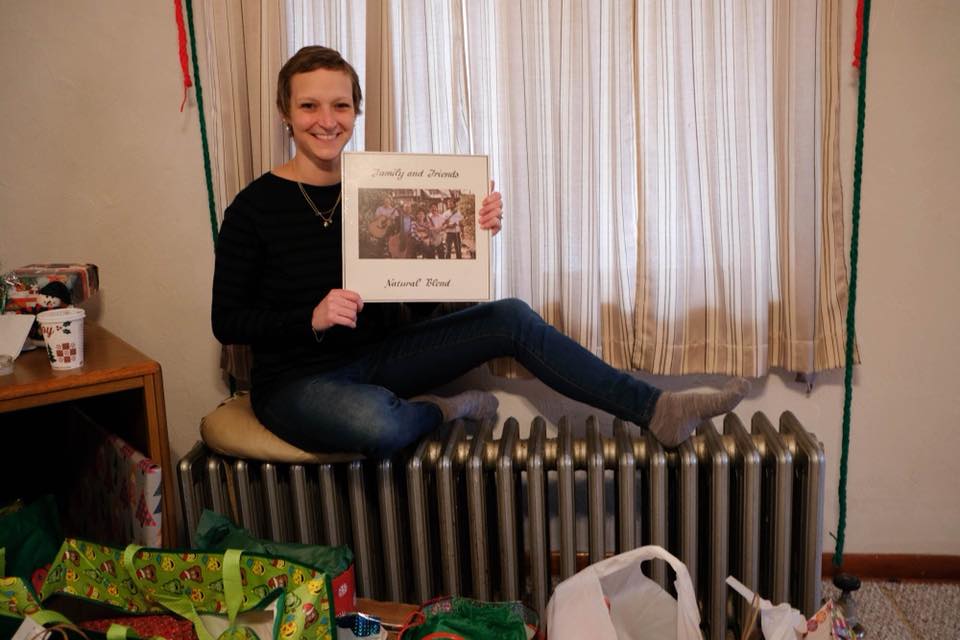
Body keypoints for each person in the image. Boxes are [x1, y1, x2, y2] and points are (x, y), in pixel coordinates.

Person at [212, 45, 749, 458]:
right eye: (309, 106)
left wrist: (464, 243)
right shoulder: (253, 207)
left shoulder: (378, 191)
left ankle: (656, 408)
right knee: (379, 425)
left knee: (510, 316)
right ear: (285, 112)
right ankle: (442, 411)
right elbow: (227, 320)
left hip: (380, 357)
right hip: (298, 382)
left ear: (356, 111)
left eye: (340, 105)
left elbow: (413, 303)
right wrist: (310, 318)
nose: (326, 120)